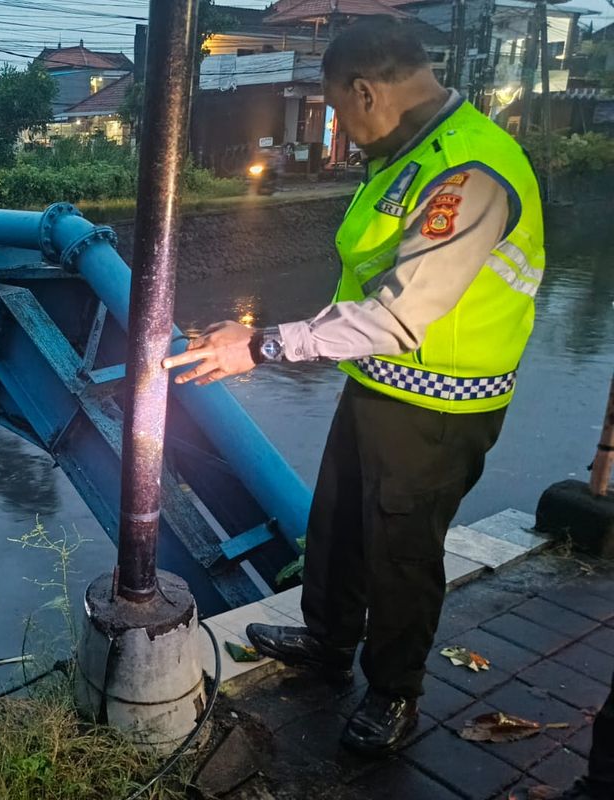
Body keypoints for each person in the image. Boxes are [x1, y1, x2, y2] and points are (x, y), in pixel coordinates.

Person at [161, 18, 544, 758]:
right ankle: (328, 641)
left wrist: (265, 346)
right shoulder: (409, 152)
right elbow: (365, 285)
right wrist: (265, 325)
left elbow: (399, 315)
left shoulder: (468, 173)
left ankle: (395, 693)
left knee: (402, 553)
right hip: (377, 382)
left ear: (367, 91)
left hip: (440, 404)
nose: (340, 124)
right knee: (337, 525)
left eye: (338, 108)